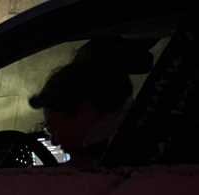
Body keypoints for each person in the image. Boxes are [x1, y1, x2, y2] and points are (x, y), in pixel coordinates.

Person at [28, 38, 152, 167]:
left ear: (86, 111)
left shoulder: (123, 164)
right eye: (50, 130)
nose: (54, 141)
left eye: (55, 128)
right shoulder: (132, 154)